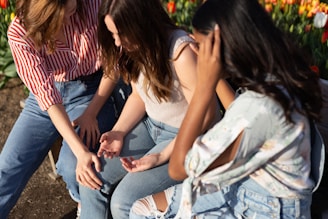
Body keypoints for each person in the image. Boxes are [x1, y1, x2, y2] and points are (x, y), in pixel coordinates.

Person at [129, 0, 325, 218]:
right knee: (142, 208)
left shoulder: (259, 108)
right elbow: (239, 114)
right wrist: (214, 76)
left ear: (228, 46)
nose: (199, 56)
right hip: (252, 189)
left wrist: (204, 87)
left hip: (262, 208)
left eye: (203, 48)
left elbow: (180, 167)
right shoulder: (275, 80)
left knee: (141, 212)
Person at [77, 0, 235, 218]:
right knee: (91, 179)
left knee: (124, 202)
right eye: (113, 34)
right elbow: (140, 96)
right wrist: (119, 131)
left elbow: (205, 117)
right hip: (151, 127)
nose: (117, 42)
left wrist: (161, 155)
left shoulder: (180, 52)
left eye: (120, 33)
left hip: (186, 138)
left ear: (140, 25)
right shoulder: (134, 47)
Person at [0, 0, 123, 217]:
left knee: (70, 164)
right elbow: (47, 98)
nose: (70, 19)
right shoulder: (20, 32)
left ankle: (87, 205)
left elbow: (113, 64)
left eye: (73, 11)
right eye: (63, 16)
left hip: (91, 92)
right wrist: (80, 148)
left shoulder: (92, 5)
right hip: (45, 98)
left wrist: (91, 113)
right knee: (7, 169)